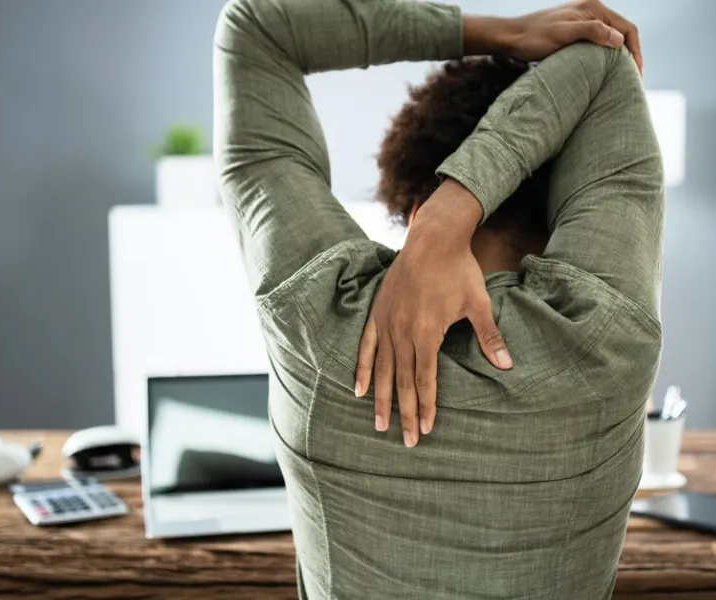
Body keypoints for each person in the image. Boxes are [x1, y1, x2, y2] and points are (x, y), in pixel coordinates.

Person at [213, 0, 663, 597]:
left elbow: (258, 26)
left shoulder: (318, 313)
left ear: (411, 203)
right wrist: (460, 205)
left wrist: (497, 32)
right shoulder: (602, 333)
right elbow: (602, 60)